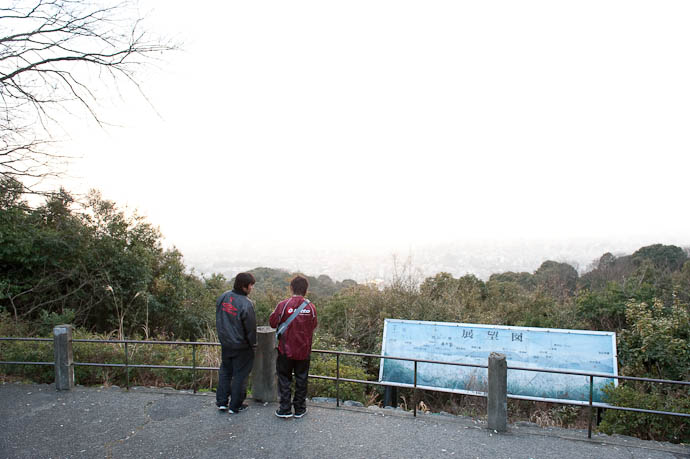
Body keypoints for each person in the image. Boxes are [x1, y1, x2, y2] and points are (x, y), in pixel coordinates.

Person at [269, 275, 318, 418]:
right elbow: (313, 326)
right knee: (301, 379)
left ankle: (285, 409)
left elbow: (272, 323)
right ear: (306, 290)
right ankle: (300, 409)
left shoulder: (283, 305)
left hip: (285, 350)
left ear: (291, 288)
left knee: (284, 378)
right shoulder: (311, 307)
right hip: (304, 350)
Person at [215, 272, 257, 414]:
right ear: (244, 287)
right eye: (251, 285)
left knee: (225, 372)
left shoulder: (223, 297)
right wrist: (253, 345)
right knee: (240, 375)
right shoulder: (247, 304)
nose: (251, 288)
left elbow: (219, 318)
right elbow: (250, 329)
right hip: (241, 346)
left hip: (226, 343)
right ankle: (235, 405)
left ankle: (221, 402)